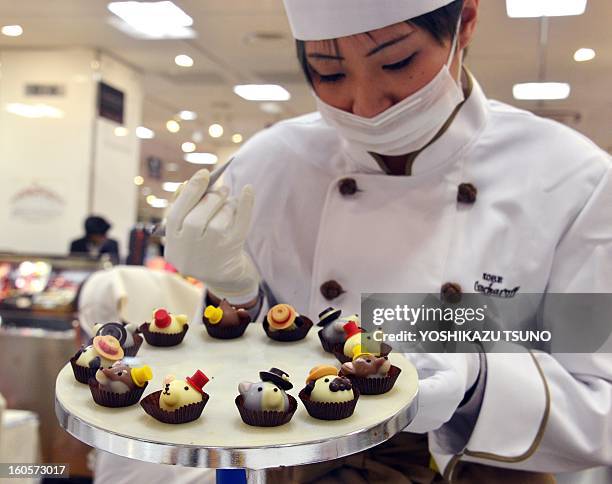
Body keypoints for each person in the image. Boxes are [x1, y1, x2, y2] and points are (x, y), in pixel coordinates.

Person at [96, 0, 612, 482]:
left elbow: (600, 411)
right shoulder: (269, 164)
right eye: (331, 72)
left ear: (467, 22)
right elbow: (237, 365)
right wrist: (240, 298)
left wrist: (477, 382)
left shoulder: (571, 179)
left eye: (397, 61)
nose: (366, 106)